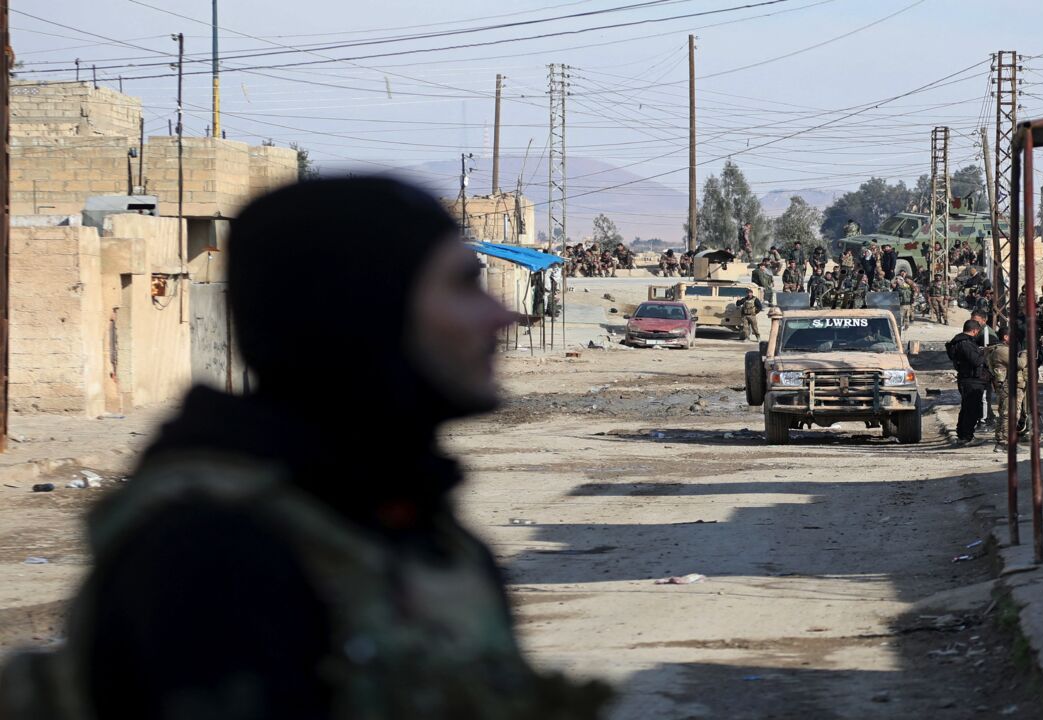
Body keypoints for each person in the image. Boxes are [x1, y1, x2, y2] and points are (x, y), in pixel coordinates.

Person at [0, 177, 611, 717]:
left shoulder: (402, 521)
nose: (500, 316)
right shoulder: (214, 554)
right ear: (363, 308)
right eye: (462, 286)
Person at [947, 320, 990, 446]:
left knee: (967, 408)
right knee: (971, 409)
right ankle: (966, 437)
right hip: (971, 380)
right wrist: (985, 353)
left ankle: (963, 435)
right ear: (975, 331)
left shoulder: (961, 342)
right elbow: (975, 361)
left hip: (969, 379)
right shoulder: (965, 343)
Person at [988, 325, 1029, 452]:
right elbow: (1020, 364)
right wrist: (1024, 354)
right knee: (1010, 415)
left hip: (1009, 385)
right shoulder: (1002, 351)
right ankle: (1007, 443)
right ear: (1006, 337)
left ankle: (1001, 442)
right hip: (1009, 386)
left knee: (1005, 415)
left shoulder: (1004, 349)